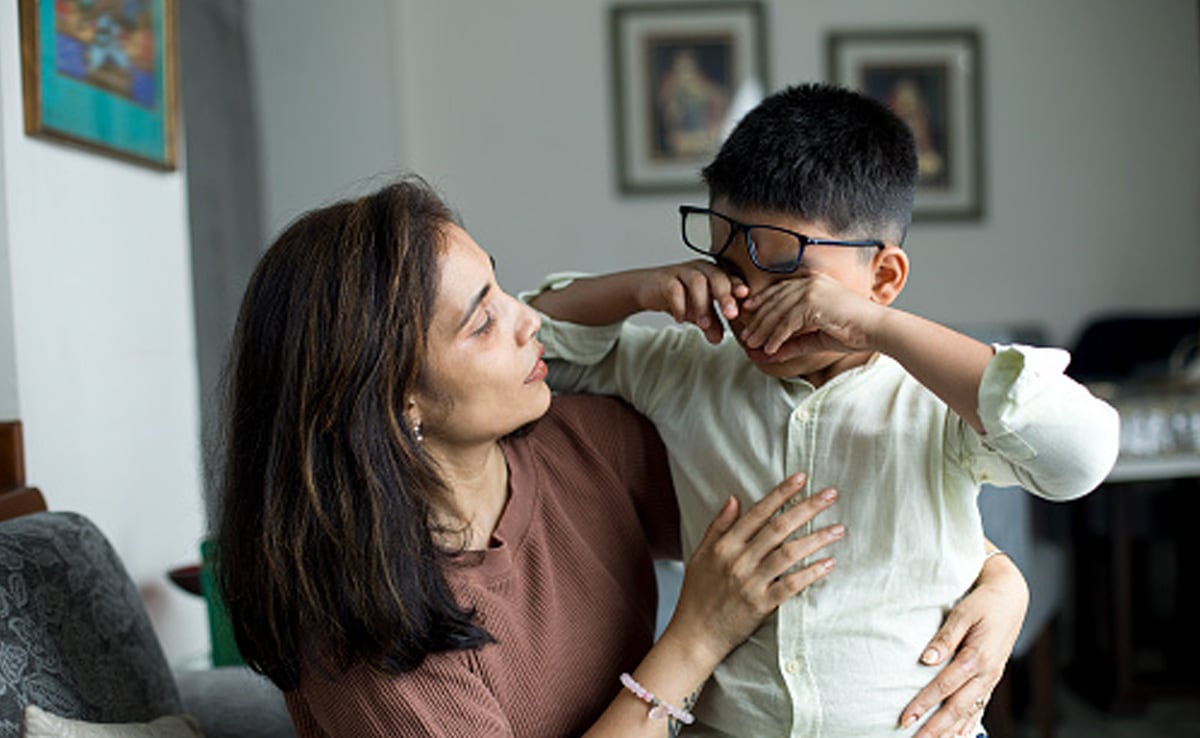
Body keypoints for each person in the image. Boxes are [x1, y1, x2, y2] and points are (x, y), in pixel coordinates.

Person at [215, 176, 1030, 738]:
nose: (528, 320)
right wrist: (697, 637)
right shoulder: (359, 629)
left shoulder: (579, 443)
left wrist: (997, 578)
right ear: (398, 401)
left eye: (500, 287)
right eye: (483, 321)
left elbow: (807, 506)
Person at [528, 82, 1120, 737]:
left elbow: (1081, 458)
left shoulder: (935, 396)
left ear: (883, 279)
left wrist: (877, 328)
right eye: (730, 269)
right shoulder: (683, 366)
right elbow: (528, 344)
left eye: (789, 276)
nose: (749, 302)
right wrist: (637, 290)